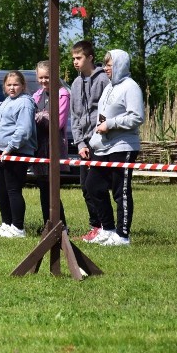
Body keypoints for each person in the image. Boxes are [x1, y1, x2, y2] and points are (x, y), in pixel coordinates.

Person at [86, 49, 144, 246]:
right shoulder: (109, 87)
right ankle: (108, 229)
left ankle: (123, 235)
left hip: (123, 145)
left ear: (119, 65)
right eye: (105, 65)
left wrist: (110, 124)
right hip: (104, 146)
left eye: (109, 65)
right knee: (93, 186)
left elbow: (136, 116)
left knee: (121, 191)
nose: (105, 69)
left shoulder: (131, 87)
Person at [69, 40, 110, 242]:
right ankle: (95, 226)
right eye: (74, 58)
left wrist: (95, 140)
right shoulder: (76, 84)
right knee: (85, 187)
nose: (75, 62)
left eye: (79, 58)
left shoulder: (103, 80)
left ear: (90, 58)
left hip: (101, 141)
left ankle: (106, 227)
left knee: (98, 187)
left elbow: (106, 111)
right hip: (84, 143)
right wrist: (80, 143)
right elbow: (74, 116)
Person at [0, 71, 37, 238]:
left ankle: (18, 227)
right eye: (9, 85)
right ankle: (6, 223)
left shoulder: (25, 103)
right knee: (1, 190)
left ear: (23, 86)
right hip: (0, 150)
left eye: (15, 84)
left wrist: (10, 147)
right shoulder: (7, 102)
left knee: (13, 189)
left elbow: (24, 130)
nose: (12, 88)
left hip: (16, 152)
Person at [32, 60, 69, 230]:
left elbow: (57, 122)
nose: (43, 81)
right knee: (42, 186)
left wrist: (39, 117)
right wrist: (42, 116)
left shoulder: (62, 94)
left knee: (52, 188)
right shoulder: (37, 95)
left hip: (53, 147)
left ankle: (60, 224)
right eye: (40, 77)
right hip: (39, 147)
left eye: (47, 77)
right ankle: (47, 222)